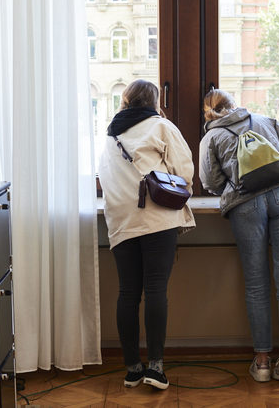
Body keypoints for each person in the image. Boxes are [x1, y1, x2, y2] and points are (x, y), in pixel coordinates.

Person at [199, 89, 279, 383]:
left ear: (208, 112)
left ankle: (263, 362)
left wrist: (235, 184)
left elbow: (211, 181)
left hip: (245, 204)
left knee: (256, 283)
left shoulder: (211, 137)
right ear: (234, 104)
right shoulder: (264, 119)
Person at [99, 79, 195, 390]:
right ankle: (156, 368)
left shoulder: (111, 135)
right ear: (154, 101)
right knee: (155, 290)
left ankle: (132, 369)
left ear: (125, 102)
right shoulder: (161, 126)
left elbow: (106, 178)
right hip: (157, 219)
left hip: (121, 221)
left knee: (128, 292)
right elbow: (184, 172)